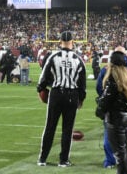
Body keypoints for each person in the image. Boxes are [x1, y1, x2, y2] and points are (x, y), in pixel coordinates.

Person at [37, 31, 86, 167]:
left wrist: (41, 90)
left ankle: (42, 159)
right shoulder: (78, 59)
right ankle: (63, 160)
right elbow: (82, 84)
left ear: (60, 42)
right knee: (67, 129)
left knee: (50, 127)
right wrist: (81, 99)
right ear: (72, 42)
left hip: (56, 94)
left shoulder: (52, 56)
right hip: (72, 95)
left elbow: (42, 78)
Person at [96, 46, 127, 170]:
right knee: (126, 149)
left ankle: (111, 161)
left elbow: (101, 91)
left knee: (119, 152)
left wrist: (101, 106)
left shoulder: (110, 75)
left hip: (115, 117)